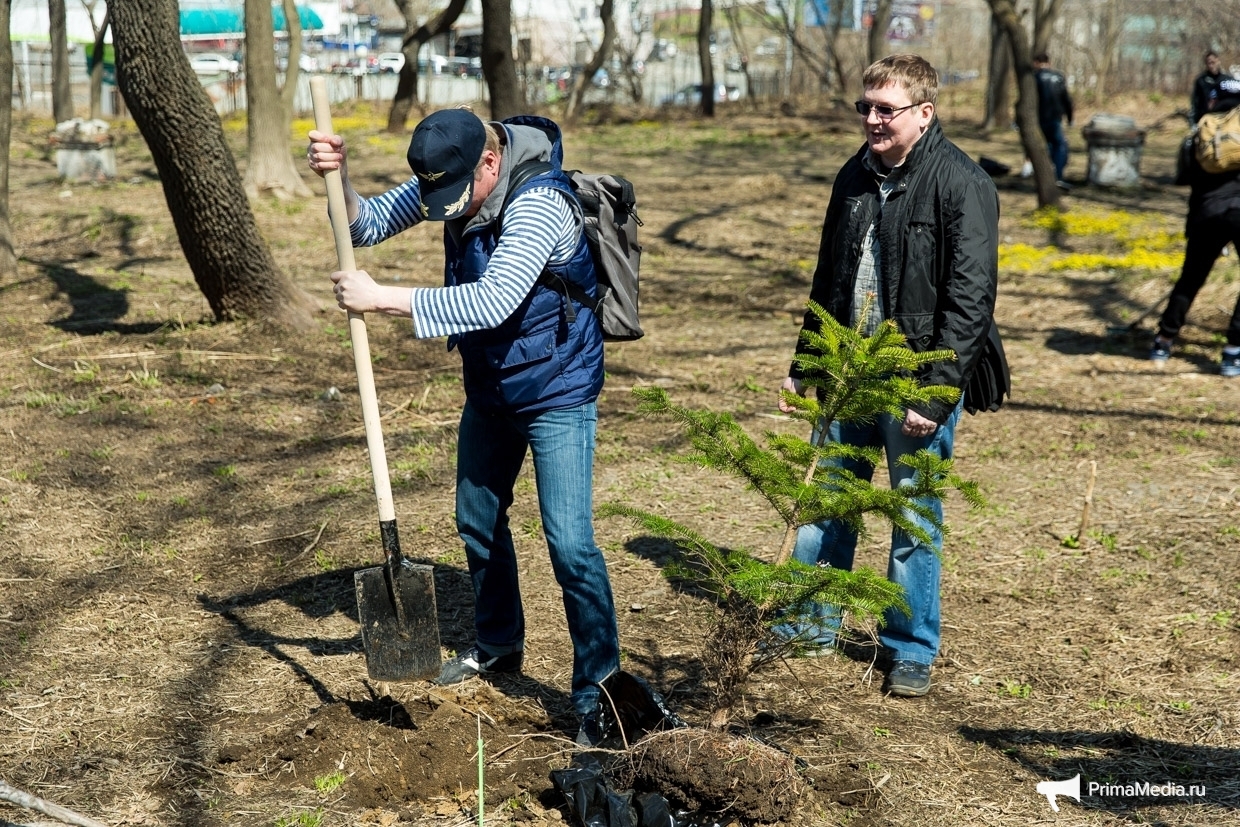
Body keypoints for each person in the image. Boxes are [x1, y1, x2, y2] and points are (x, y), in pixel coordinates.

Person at [307, 108, 620, 744]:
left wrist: (382, 298)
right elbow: (366, 225)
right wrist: (339, 178)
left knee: (569, 542)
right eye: (434, 194)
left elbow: (489, 300)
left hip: (557, 388)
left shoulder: (539, 205)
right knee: (476, 518)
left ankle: (598, 692)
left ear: (490, 162)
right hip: (493, 384)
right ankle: (500, 643)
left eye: (457, 194)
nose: (444, 208)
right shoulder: (450, 173)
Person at [777, 54, 1001, 698]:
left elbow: (970, 298)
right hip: (849, 373)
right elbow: (830, 278)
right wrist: (808, 363)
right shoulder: (853, 175)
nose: (872, 120)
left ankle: (908, 645)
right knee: (829, 505)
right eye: (865, 107)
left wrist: (935, 391)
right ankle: (810, 620)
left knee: (913, 518)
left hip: (914, 380)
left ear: (924, 114)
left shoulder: (962, 183)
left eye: (886, 109)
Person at [1151, 77, 1240, 377]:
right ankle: (1232, 353)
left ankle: (1164, 340)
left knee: (1190, 279)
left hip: (1206, 213)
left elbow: (1182, 177)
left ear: (1214, 100)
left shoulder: (1201, 131)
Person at [1033, 52, 1074, 186]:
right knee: (1059, 145)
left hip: (1039, 118)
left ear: (1036, 63)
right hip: (1055, 118)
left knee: (1048, 146)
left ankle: (1046, 175)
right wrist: (1070, 117)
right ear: (1049, 62)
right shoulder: (1058, 77)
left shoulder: (1034, 78)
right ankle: (1058, 175)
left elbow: (1028, 101)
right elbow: (1066, 99)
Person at [1189, 50, 1233, 126]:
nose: (1211, 66)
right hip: (1208, 119)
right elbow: (1195, 102)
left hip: (1227, 118)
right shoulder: (1201, 81)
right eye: (1209, 63)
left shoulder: (1227, 79)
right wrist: (1194, 120)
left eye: (1213, 62)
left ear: (1218, 61)